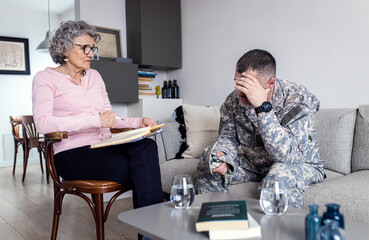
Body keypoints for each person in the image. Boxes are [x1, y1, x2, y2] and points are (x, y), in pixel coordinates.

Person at [32, 20, 163, 210]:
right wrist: (95, 120)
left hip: (104, 145)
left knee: (147, 148)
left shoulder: (94, 76)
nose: (91, 54)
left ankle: (151, 232)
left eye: (92, 48)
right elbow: (43, 124)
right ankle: (152, 232)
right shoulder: (45, 79)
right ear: (64, 48)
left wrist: (139, 122)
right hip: (71, 154)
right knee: (143, 169)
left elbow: (109, 117)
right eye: (85, 48)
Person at [195, 49, 325, 208]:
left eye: (249, 85)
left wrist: (263, 108)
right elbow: (228, 137)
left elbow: (287, 157)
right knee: (209, 162)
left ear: (270, 83)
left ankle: (279, 231)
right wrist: (223, 156)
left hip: (299, 164)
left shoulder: (297, 98)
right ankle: (216, 221)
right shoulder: (234, 100)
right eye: (238, 82)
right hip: (255, 165)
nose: (240, 91)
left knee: (279, 176)